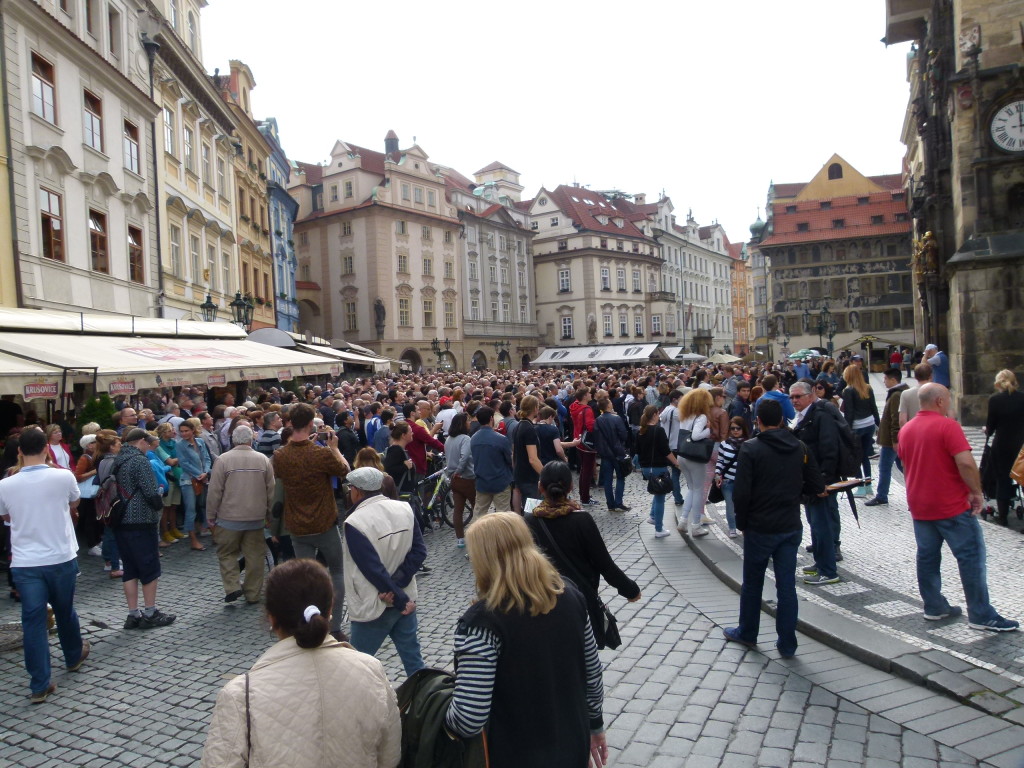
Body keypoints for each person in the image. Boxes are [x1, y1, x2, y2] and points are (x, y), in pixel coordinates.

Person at [201, 558, 401, 768]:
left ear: (271, 617)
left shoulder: (240, 695)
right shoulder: (372, 671)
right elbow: (389, 756)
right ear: (330, 608)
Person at [444, 512, 607, 768]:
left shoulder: (482, 622)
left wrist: (435, 712)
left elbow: (469, 717)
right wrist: (595, 724)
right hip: (572, 745)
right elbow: (592, 674)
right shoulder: (569, 594)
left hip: (514, 754)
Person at [898, 384, 1018, 632]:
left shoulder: (907, 429)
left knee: (927, 556)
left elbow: (905, 463)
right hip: (950, 505)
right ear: (940, 401)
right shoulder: (947, 426)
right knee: (970, 557)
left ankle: (934, 606)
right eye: (949, 399)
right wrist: (976, 492)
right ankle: (981, 614)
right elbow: (965, 462)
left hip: (920, 505)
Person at [723, 398, 825, 658]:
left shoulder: (750, 449)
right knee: (786, 586)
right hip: (789, 524)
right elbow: (815, 483)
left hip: (760, 526)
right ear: (781, 420)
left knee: (753, 583)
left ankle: (748, 632)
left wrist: (743, 523)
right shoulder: (799, 446)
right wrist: (795, 495)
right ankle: (787, 643)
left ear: (757, 421)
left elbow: (742, 494)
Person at [0, 427, 88, 703]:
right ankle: (73, 656)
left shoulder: (6, 484)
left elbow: (5, 515)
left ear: (19, 451)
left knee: (33, 621)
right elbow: (75, 501)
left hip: (26, 562)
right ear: (46, 449)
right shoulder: (62, 476)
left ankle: (39, 683)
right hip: (60, 555)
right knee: (64, 610)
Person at [526, 461, 641, 649]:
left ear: (540, 488)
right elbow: (604, 564)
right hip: (579, 601)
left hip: (542, 601)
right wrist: (630, 590)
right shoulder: (581, 520)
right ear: (571, 487)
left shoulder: (529, 521)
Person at [273, 403, 351, 642]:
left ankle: (307, 620)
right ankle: (335, 625)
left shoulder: (279, 456)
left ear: (289, 423)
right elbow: (345, 470)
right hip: (324, 522)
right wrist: (334, 448)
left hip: (297, 525)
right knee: (337, 571)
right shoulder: (321, 453)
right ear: (310, 425)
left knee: (304, 577)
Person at [341, 467, 426, 676]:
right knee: (414, 661)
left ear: (357, 491)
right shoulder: (405, 508)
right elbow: (419, 551)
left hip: (374, 602)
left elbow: (371, 568)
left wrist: (395, 595)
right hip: (405, 597)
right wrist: (400, 588)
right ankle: (423, 702)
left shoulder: (354, 522)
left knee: (358, 667)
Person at [114, 429, 176, 630]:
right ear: (141, 441)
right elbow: (151, 492)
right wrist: (159, 502)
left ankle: (133, 613)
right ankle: (150, 612)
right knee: (149, 566)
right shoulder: (140, 461)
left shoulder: (117, 459)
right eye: (148, 445)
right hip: (141, 519)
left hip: (120, 519)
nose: (149, 448)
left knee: (130, 569)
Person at [207, 425, 275, 604]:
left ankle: (232, 586)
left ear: (233, 440)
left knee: (226, 553)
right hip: (256, 517)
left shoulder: (223, 460)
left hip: (228, 517)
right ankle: (252, 594)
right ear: (251, 440)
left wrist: (210, 515)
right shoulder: (263, 460)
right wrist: (269, 515)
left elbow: (214, 491)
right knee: (255, 556)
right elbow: (271, 491)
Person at [791, 381, 842, 585]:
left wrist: (823, 482)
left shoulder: (820, 416)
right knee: (815, 523)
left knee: (822, 525)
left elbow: (829, 450)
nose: (794, 400)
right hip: (811, 481)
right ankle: (820, 563)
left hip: (821, 482)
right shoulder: (805, 416)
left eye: (798, 396)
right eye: (792, 397)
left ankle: (829, 571)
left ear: (810, 395)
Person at [984, 370, 1024, 526]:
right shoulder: (1022, 398)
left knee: (1003, 479)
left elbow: (990, 427)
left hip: (1002, 445)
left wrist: (986, 430)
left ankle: (1002, 517)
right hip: (1021, 445)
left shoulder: (995, 400)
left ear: (998, 383)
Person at [865, 368, 909, 507]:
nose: (883, 381)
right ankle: (918, 490)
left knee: (884, 467)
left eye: (885, 379)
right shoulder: (900, 392)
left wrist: (895, 439)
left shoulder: (896, 395)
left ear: (893, 379)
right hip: (893, 439)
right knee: (903, 468)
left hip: (891, 441)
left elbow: (896, 419)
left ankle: (881, 496)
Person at [636, 405, 680, 538]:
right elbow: (666, 451)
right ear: (655, 415)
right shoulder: (658, 430)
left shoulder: (640, 431)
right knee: (661, 497)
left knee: (657, 491)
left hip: (646, 468)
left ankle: (653, 516)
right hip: (658, 468)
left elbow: (637, 451)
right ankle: (659, 529)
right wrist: (676, 463)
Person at [677, 388, 713, 537]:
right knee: (698, 490)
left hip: (683, 455)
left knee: (692, 489)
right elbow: (697, 436)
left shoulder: (685, 416)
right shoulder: (701, 417)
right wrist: (709, 431)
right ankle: (695, 524)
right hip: (694, 456)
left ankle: (684, 520)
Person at [841, 363, 879, 497]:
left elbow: (849, 413)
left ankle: (860, 486)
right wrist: (878, 424)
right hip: (869, 424)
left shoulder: (848, 390)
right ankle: (868, 485)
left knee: (855, 457)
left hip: (857, 426)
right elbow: (874, 407)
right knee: (865, 457)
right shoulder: (867, 387)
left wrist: (846, 431)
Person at [469, 406, 513, 515]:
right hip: (500, 481)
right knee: (504, 515)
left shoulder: (473, 438)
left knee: (479, 514)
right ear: (491, 418)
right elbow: (509, 460)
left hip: (482, 481)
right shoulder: (501, 439)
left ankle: (477, 532)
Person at [714, 416, 750, 537]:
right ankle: (732, 527)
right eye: (732, 428)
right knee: (730, 505)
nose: (735, 431)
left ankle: (744, 526)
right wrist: (717, 474)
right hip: (728, 481)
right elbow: (720, 461)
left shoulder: (749, 444)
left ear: (743, 429)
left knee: (744, 505)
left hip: (743, 482)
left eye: (738, 428)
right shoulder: (724, 444)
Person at [444, 413, 474, 547]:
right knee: (477, 507)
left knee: (458, 510)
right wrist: (459, 471)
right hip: (466, 478)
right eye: (467, 421)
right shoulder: (465, 439)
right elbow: (465, 457)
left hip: (454, 479)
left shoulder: (449, 439)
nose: (469, 423)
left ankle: (460, 538)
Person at [595, 397, 630, 513]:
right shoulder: (616, 418)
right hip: (617, 452)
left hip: (605, 454)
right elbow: (624, 435)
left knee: (607, 480)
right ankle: (618, 502)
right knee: (620, 477)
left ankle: (610, 504)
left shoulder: (598, 420)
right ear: (608, 406)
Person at [512, 395, 544, 503]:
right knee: (532, 511)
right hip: (529, 477)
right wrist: (546, 475)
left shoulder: (518, 425)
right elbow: (533, 459)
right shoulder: (529, 429)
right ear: (535, 408)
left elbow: (514, 452)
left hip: (519, 473)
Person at [570, 388, 598, 507]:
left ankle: (583, 495)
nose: (591, 394)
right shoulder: (587, 409)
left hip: (578, 440)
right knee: (587, 471)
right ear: (585, 396)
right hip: (587, 443)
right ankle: (585, 498)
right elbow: (591, 426)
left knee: (583, 470)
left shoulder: (574, 406)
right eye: (588, 393)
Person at [659, 389, 685, 507]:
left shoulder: (666, 410)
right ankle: (678, 497)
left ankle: (676, 496)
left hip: (666, 444)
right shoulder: (676, 411)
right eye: (681, 399)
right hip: (675, 445)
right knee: (676, 473)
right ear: (675, 399)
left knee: (671, 472)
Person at [899, 362, 933, 427]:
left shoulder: (906, 394)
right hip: (936, 432)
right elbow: (951, 416)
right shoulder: (942, 392)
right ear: (931, 376)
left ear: (915, 377)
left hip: (914, 431)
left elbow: (902, 420)